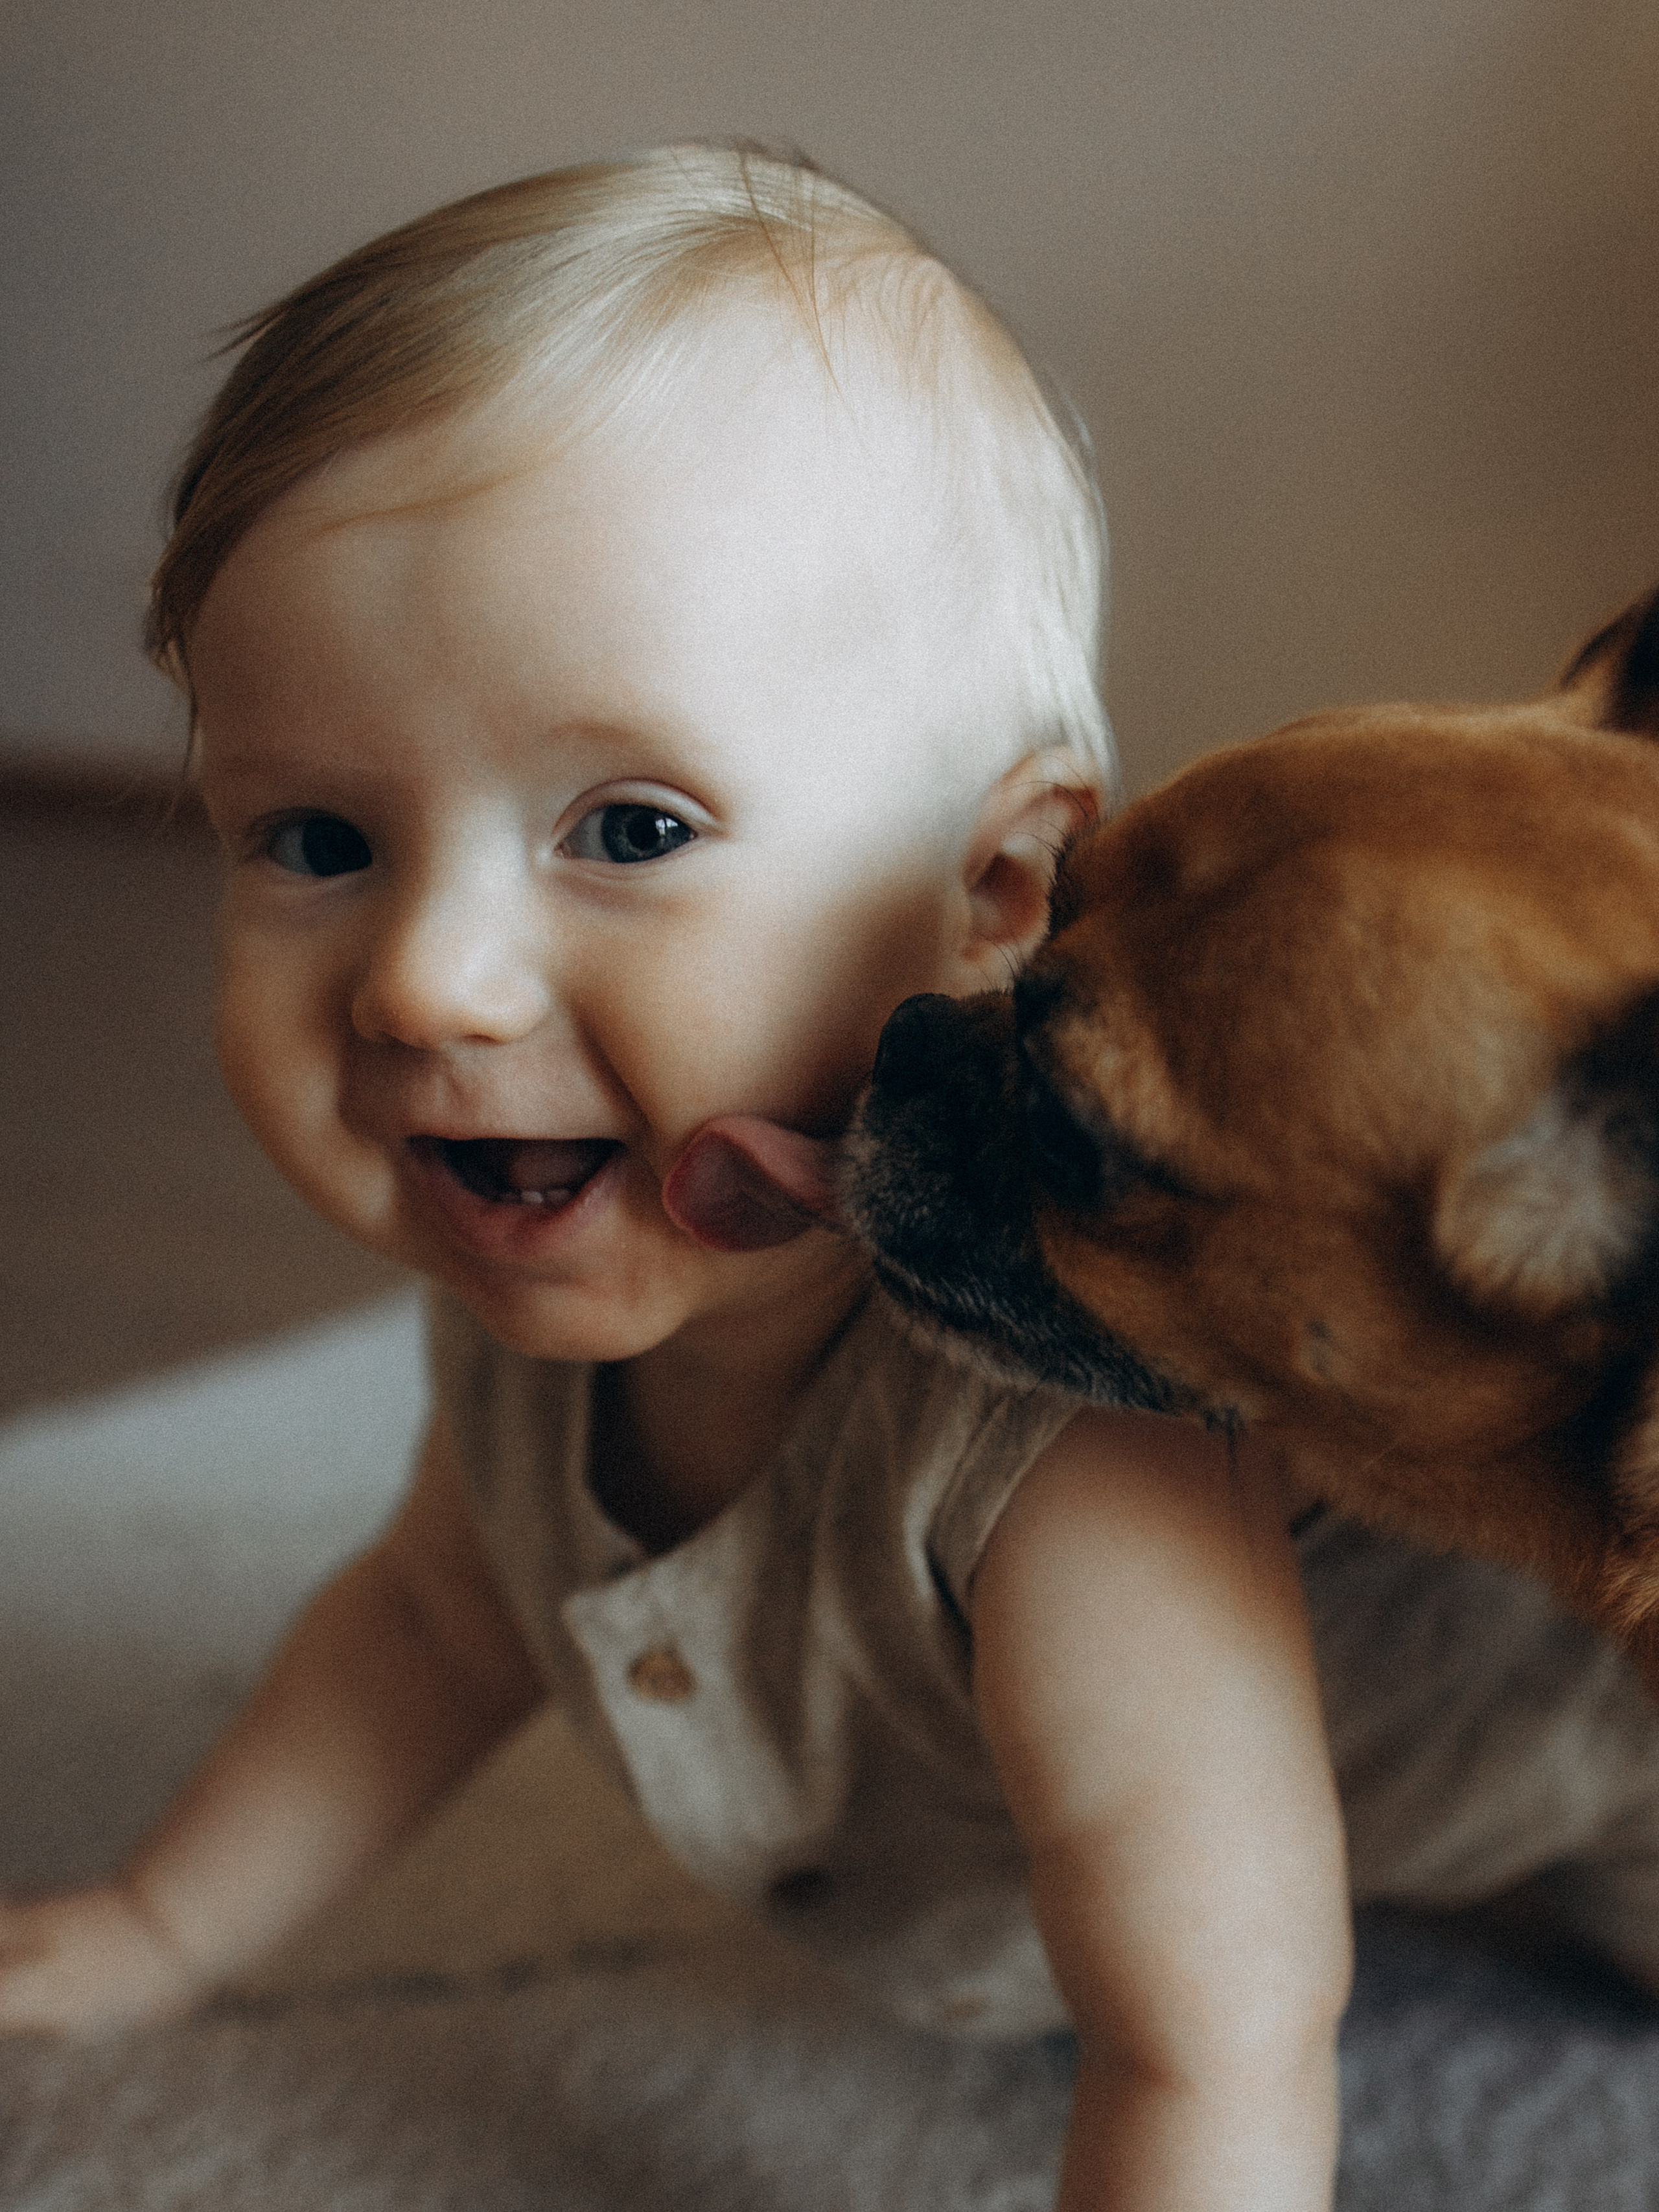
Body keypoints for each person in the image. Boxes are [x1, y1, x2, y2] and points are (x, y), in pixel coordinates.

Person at [6, 143, 1659, 2212]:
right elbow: (438, 1616)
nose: (430, 981)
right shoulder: (554, 1252)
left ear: (1003, 888)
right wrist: (163, 1927)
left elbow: (1216, 2033)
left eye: (629, 830)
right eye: (319, 841)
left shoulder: (1073, 1470)